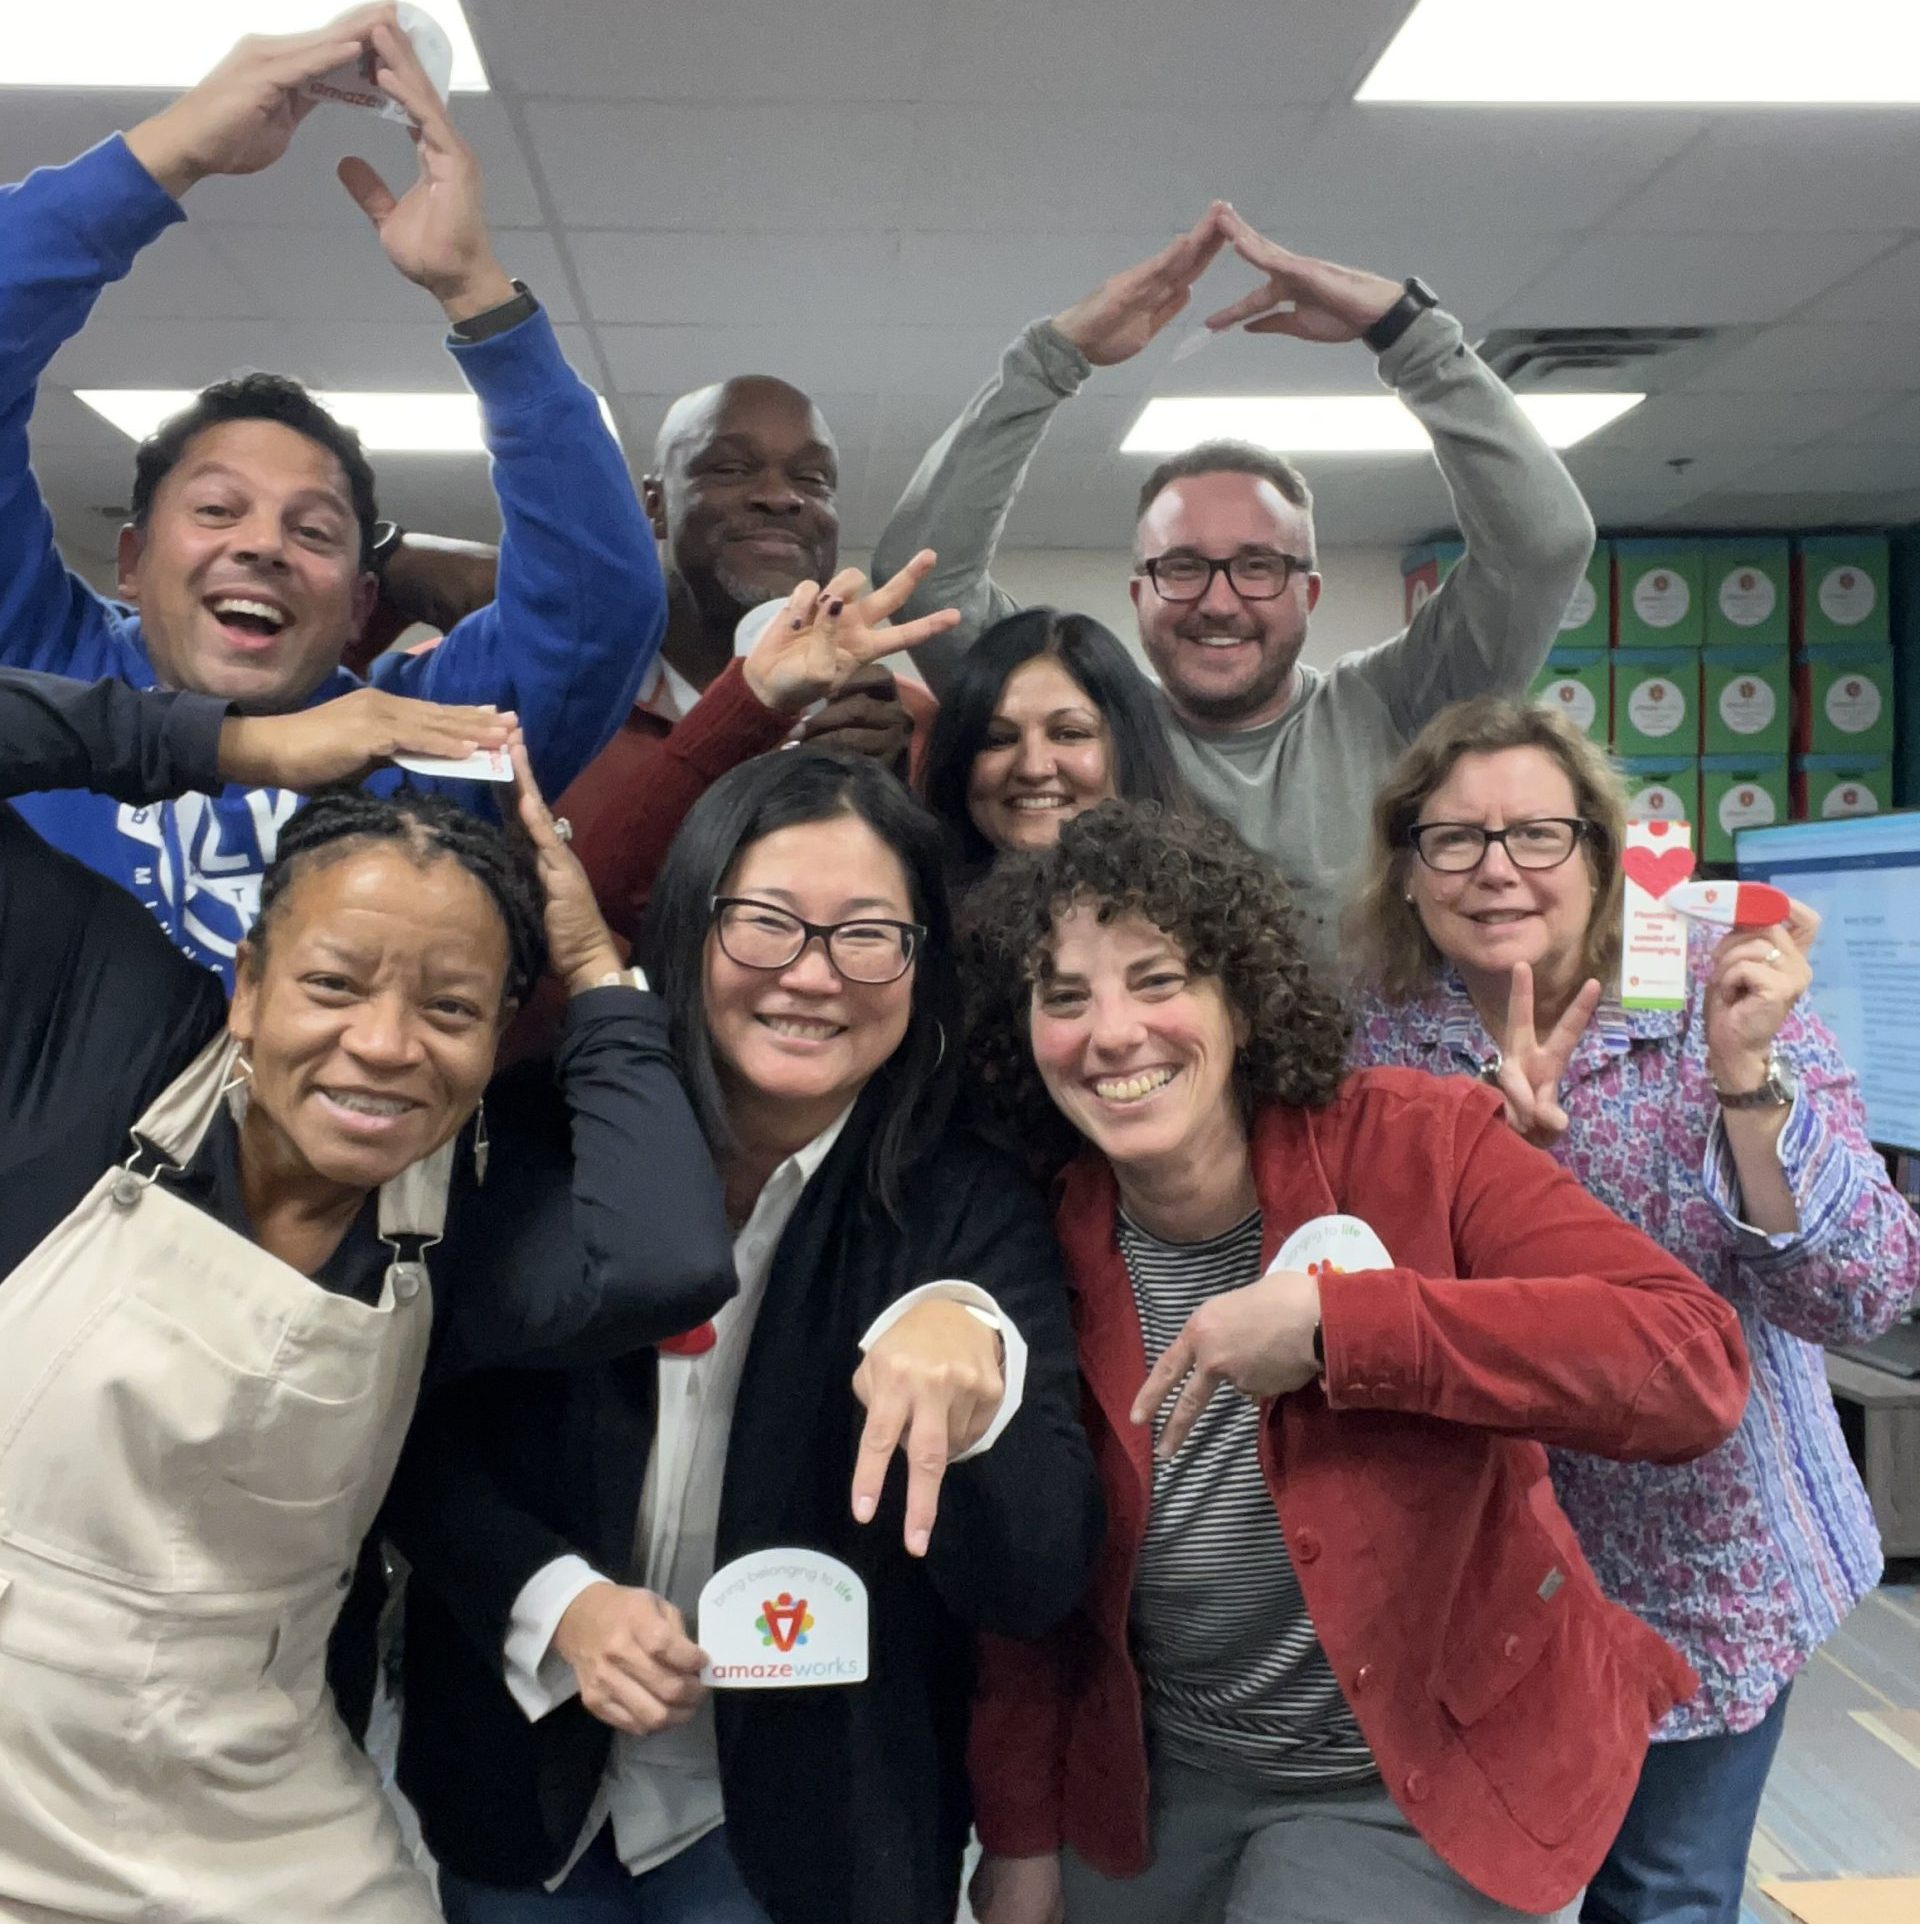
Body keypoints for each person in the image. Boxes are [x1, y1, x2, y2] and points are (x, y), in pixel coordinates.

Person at [0, 667, 736, 1923]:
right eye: (332, 985)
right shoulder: (98, 1037)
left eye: (451, 1008)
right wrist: (240, 742)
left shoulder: (458, 1223)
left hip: (254, 1786)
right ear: (246, 983)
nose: (387, 1045)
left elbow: (662, 1255)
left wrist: (594, 966)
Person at [958, 801, 1751, 1924]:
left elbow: (1691, 1364)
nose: (1113, 1033)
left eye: (1159, 978)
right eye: (1065, 997)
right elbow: (1033, 1592)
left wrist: (1345, 1331)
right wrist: (1022, 1842)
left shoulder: (1419, 1140)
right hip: (1163, 1773)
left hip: (1417, 1772)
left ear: (1239, 994)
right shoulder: (1043, 1235)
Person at [383, 751, 1103, 1924]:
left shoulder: (961, 1199)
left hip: (809, 1835)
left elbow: (1032, 1577)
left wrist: (982, 1361)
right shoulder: (540, 1138)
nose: (814, 977)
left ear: (924, 962)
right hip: (523, 1797)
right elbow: (418, 1436)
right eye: (766, 924)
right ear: (688, 926)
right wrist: (553, 1599)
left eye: (869, 934)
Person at [1344, 697, 1920, 1924]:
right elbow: (1352, 1291)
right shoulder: (1373, 1041)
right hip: (1475, 1574)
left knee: (1660, 1896)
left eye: (1538, 834)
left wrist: (1746, 1083)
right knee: (1466, 1890)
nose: (1498, 868)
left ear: (1602, 855)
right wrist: (1486, 1165)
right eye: (1454, 839)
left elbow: (1863, 1288)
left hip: (1708, 1569)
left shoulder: (1716, 997)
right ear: (1406, 871)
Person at [0, 8, 661, 977]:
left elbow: (601, 603)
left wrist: (475, 288)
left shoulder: (420, 746)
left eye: (314, 530)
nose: (263, 544)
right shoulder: (45, 666)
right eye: (217, 509)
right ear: (134, 563)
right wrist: (170, 151)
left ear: (359, 602)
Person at [874, 205, 1597, 969]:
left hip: (1368, 1091)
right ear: (1138, 593)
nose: (1219, 603)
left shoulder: (1403, 707)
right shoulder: (1080, 730)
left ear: (1308, 594)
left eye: (1258, 566)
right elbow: (922, 580)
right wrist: (1053, 358)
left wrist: (1409, 335)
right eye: (1182, 567)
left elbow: (1544, 545)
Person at [917, 605, 1195, 879]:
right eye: (999, 739)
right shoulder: (912, 912)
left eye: (1069, 734)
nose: (1033, 768)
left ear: (1132, 747)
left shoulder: (1205, 916)